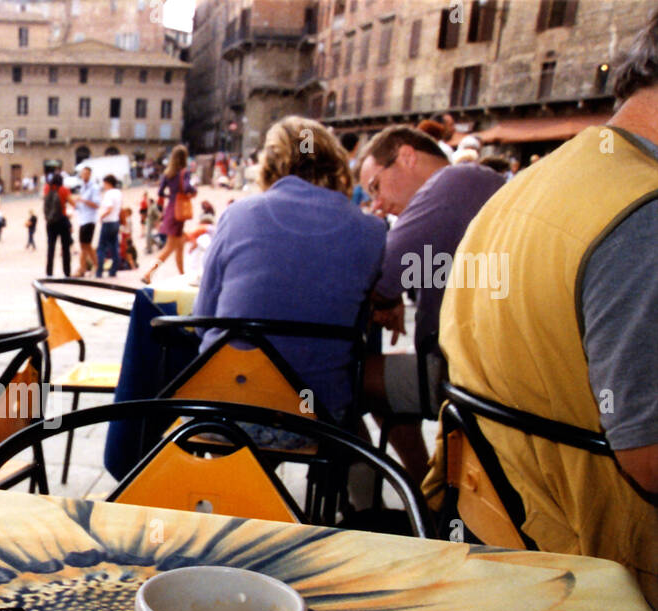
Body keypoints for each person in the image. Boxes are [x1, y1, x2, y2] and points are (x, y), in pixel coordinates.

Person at [434, 10, 658, 610]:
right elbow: (649, 458)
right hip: (609, 576)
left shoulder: (527, 187)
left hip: (496, 524)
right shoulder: (645, 213)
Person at [192, 117, 386, 428]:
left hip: (228, 413)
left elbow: (202, 319)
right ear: (335, 161)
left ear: (269, 163)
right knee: (351, 433)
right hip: (316, 415)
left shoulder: (239, 215)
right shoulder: (372, 231)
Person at [356, 125, 506, 482]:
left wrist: (386, 293)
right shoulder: (472, 182)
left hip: (473, 381)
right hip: (484, 371)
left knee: (345, 379)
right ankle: (427, 485)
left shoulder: (453, 182)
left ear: (407, 156)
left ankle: (417, 490)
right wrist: (390, 295)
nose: (376, 203)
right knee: (383, 379)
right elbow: (400, 278)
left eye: (375, 186)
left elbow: (381, 277)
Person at [142, 145, 196, 282]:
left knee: (179, 245)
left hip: (170, 209)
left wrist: (170, 197)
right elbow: (187, 187)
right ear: (184, 157)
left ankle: (182, 275)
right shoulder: (184, 172)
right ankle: (149, 273)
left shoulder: (167, 173)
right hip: (179, 212)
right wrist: (193, 191)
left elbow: (160, 192)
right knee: (171, 246)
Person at [42, 172, 74, 277]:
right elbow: (72, 203)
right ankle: (67, 272)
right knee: (65, 248)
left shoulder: (47, 188)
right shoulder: (64, 189)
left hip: (50, 222)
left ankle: (49, 272)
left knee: (51, 247)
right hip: (62, 220)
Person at [73, 163, 102, 276]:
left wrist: (83, 201)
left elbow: (96, 204)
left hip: (90, 219)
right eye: (83, 173)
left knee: (86, 245)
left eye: (86, 173)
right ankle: (87, 267)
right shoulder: (83, 187)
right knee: (84, 245)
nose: (84, 175)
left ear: (90, 174)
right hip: (83, 218)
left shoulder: (94, 187)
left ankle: (87, 267)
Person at [93, 175, 123, 278]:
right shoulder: (118, 193)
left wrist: (101, 216)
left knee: (101, 248)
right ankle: (113, 270)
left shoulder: (108, 194)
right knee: (114, 247)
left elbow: (109, 208)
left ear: (108, 183)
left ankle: (99, 271)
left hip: (108, 222)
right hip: (115, 221)